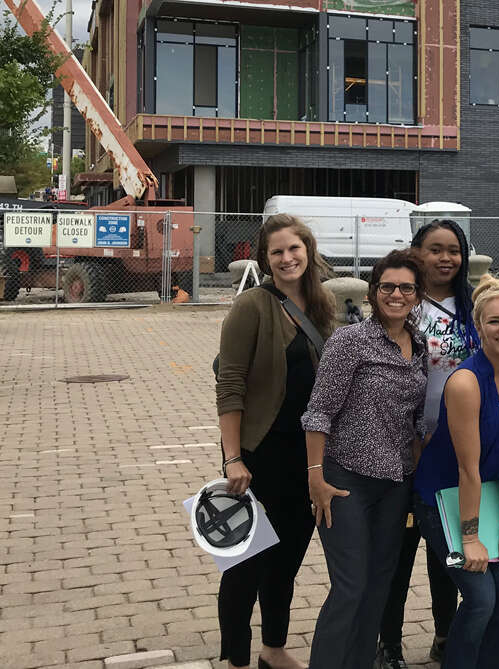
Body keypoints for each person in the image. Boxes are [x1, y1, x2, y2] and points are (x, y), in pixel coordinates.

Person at [214, 214, 337, 669]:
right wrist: (233, 459)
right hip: (259, 454)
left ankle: (273, 648)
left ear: (308, 249)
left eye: (294, 249)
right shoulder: (252, 305)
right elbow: (230, 384)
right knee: (245, 564)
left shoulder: (324, 306)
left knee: (285, 561)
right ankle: (237, 659)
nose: (287, 258)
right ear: (265, 260)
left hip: (306, 455)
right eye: (276, 252)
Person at [302, 250, 429, 669]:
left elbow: (413, 420)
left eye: (406, 287)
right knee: (351, 586)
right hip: (346, 479)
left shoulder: (421, 345)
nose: (396, 294)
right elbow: (319, 412)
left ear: (417, 294)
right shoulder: (349, 341)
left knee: (378, 586)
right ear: (374, 292)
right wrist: (316, 477)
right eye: (387, 286)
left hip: (395, 483)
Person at [413, 276, 499, 669]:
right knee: (481, 599)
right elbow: (467, 469)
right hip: (443, 498)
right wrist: (470, 539)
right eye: (495, 322)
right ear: (478, 327)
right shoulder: (465, 382)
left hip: (491, 494)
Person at [377, 220, 477, 668]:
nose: (444, 259)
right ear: (416, 252)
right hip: (401, 448)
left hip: (456, 449)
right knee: (398, 554)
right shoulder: (405, 304)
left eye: (453, 250)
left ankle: (444, 635)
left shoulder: (475, 305)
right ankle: (389, 645)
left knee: (447, 552)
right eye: (434, 249)